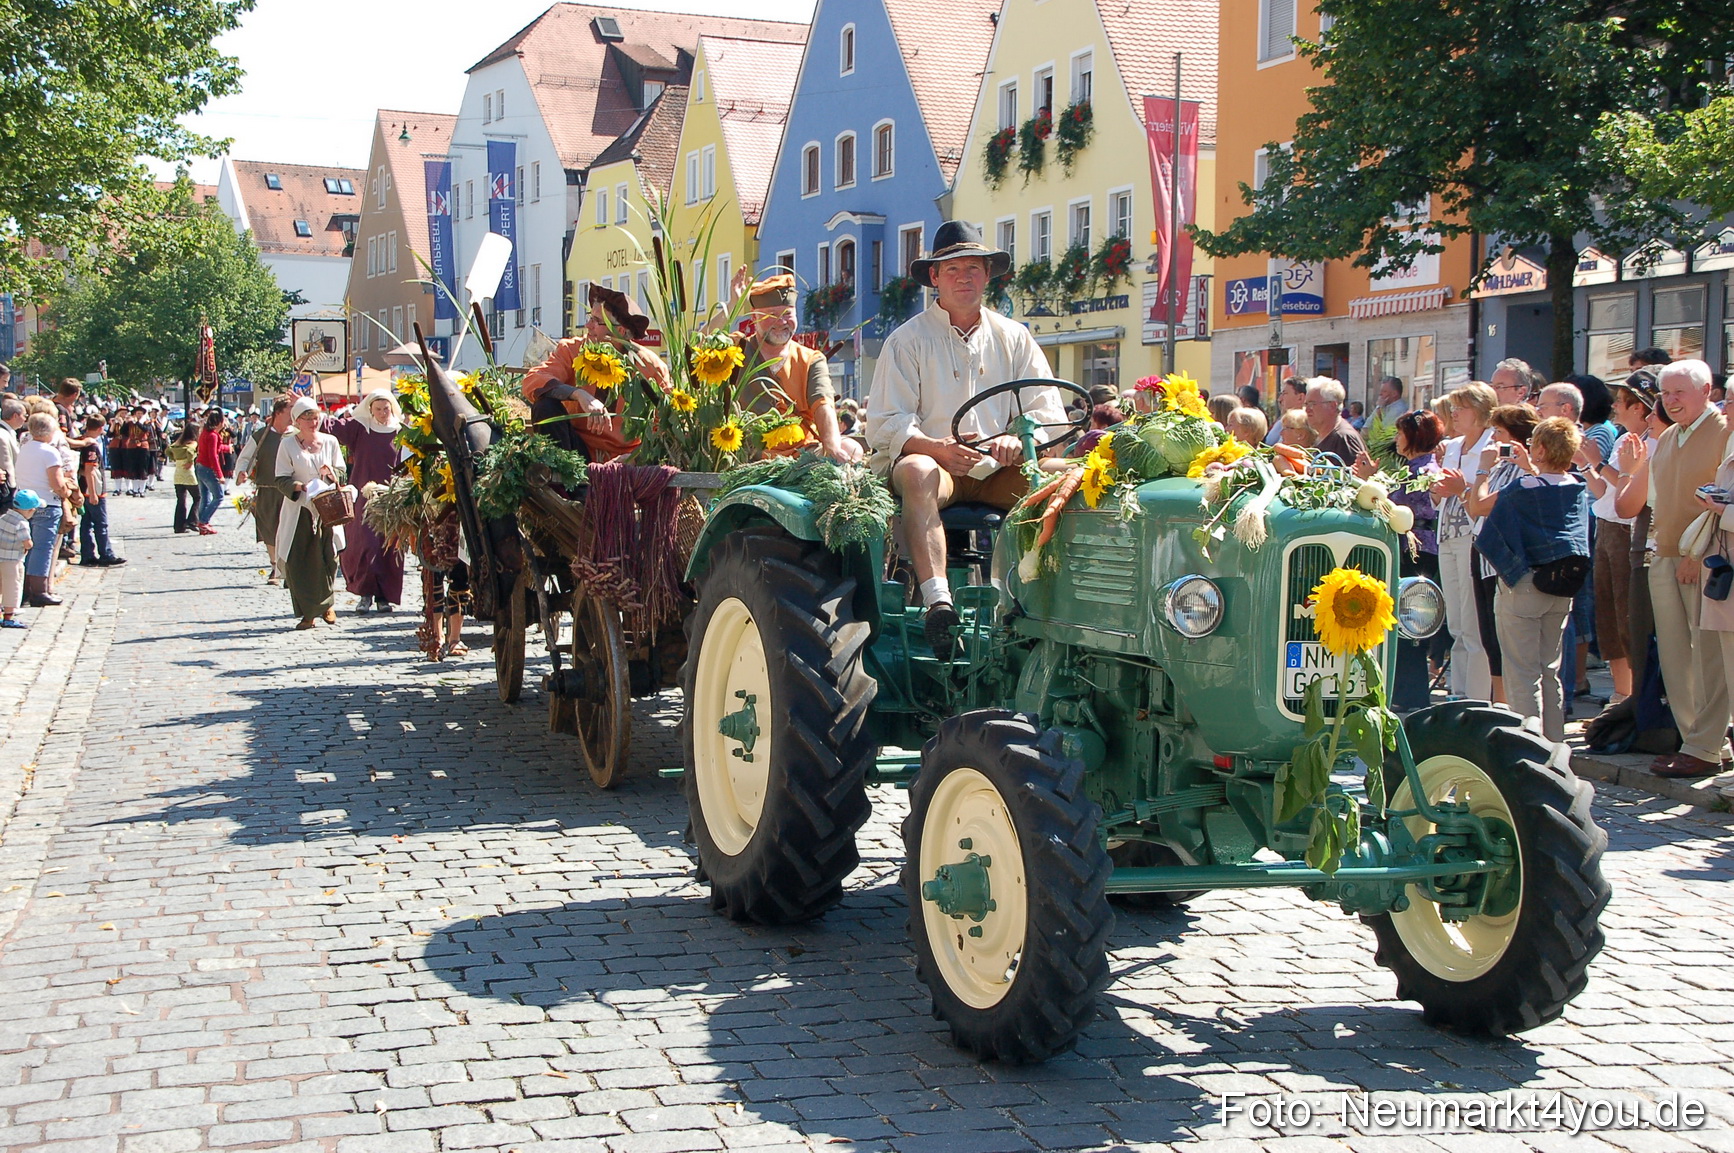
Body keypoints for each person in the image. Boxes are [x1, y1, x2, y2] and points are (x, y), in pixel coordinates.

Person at [865, 220, 1067, 653]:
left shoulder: (1015, 338)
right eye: (953, 269)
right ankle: (939, 602)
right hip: (939, 469)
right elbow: (885, 424)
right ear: (934, 277)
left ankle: (1039, 601)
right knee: (917, 471)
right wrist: (936, 448)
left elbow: (1047, 414)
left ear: (987, 276)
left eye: (974, 268)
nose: (964, 277)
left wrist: (1019, 440)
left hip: (1000, 470)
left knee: (1069, 477)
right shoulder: (908, 340)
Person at [1633, 359, 1730, 778]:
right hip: (1666, 553)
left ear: (1706, 390)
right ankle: (1696, 739)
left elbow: (1719, 500)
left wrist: (1694, 557)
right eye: (1665, 393)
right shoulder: (1669, 435)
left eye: (1679, 392)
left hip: (1704, 556)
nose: (1670, 401)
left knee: (1709, 656)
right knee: (1675, 655)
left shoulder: (1724, 431)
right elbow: (1656, 501)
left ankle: (1706, 745)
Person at [1477, 417, 1590, 741]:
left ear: (1539, 448)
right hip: (1562, 586)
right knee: (1549, 671)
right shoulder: (1576, 486)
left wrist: (1484, 470)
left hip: (1524, 583)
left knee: (1522, 675)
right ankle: (1556, 750)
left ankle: (1532, 752)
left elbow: (1482, 511)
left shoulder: (1523, 488)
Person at [718, 273, 861, 461]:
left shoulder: (811, 359)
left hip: (800, 456)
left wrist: (832, 448)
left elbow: (822, 403)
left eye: (787, 314)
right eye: (771, 315)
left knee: (851, 447)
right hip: (744, 454)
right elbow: (695, 347)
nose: (781, 322)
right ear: (754, 317)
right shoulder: (736, 348)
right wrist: (731, 306)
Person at [520, 284, 670, 462]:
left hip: (628, 459)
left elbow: (664, 425)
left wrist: (635, 458)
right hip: (576, 450)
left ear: (620, 330)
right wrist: (579, 394)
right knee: (545, 405)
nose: (588, 325)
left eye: (596, 321)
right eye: (589, 317)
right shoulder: (573, 349)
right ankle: (567, 480)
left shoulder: (651, 367)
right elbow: (533, 380)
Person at [1357, 409, 1444, 710]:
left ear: (1414, 436)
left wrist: (1370, 483)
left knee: (1409, 624)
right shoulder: (1412, 468)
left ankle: (1409, 695)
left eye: (1400, 432)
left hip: (1416, 550)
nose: (1396, 438)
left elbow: (1396, 511)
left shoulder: (1424, 473)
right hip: (1413, 549)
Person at [1430, 382, 1498, 699]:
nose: (1454, 414)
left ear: (1482, 412)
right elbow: (1438, 498)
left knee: (1473, 624)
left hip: (1473, 538)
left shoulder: (1492, 445)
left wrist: (1459, 488)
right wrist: (1435, 490)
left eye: (1462, 408)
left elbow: (1484, 498)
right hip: (1447, 535)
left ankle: (1476, 696)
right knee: (1456, 622)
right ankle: (1458, 693)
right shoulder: (1453, 446)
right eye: (1453, 408)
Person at [270, 398, 347, 629]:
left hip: (327, 507)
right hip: (299, 509)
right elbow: (281, 477)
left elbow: (342, 472)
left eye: (316, 417)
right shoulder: (288, 445)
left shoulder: (330, 442)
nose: (313, 422)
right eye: (307, 418)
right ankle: (308, 614)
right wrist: (300, 486)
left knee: (328, 557)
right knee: (300, 561)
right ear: (297, 421)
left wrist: (331, 473)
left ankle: (327, 604)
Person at [325, 390, 405, 612]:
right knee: (366, 545)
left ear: (392, 408)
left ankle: (384, 597)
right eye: (377, 409)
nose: (381, 413)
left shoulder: (401, 432)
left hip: (391, 497)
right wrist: (312, 412)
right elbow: (332, 428)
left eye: (385, 409)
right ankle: (365, 594)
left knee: (388, 547)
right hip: (363, 496)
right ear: (370, 409)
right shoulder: (361, 428)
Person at [14, 414, 69, 607]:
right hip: (46, 502)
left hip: (25, 502)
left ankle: (25, 588)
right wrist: (66, 491)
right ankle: (39, 590)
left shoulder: (24, 449)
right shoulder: (49, 452)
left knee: (28, 546)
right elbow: (56, 482)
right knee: (43, 548)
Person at [235, 398, 292, 583]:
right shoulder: (261, 436)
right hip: (267, 489)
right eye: (290, 409)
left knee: (290, 529)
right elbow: (246, 457)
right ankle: (275, 567)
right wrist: (242, 472)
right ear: (278, 413)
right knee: (269, 529)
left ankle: (289, 568)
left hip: (291, 490)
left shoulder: (295, 436)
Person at [76, 415, 123, 567]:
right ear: (100, 428)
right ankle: (105, 553)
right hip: (93, 489)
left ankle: (88, 554)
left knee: (86, 523)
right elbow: (89, 470)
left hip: (85, 488)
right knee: (100, 524)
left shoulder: (81, 440)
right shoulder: (91, 445)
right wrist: (93, 492)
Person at [0, 488, 39, 628]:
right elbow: (27, 543)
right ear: (30, 510)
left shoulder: (3, 517)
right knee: (13, 587)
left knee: (1, 586)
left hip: (0, 557)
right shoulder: (22, 524)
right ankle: (9, 617)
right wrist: (30, 546)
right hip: (13, 560)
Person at [1304, 377, 1367, 463]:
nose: (1307, 410)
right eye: (1306, 404)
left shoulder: (1344, 439)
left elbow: (1354, 475)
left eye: (1312, 404)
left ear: (1332, 406)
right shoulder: (1324, 436)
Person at [194, 409, 226, 534]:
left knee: (205, 497)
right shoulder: (213, 435)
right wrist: (220, 475)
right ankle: (203, 521)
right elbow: (213, 456)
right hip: (207, 468)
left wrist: (226, 448)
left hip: (200, 466)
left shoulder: (205, 433)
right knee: (218, 496)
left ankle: (202, 524)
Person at [168, 423, 200, 534]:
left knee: (181, 500)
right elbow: (191, 451)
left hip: (178, 473)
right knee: (197, 497)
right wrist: (191, 461)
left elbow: (168, 450)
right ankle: (191, 521)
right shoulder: (193, 442)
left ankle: (179, 526)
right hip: (188, 472)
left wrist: (175, 458)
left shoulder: (178, 442)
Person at [1264, 376, 1306, 446]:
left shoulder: (1307, 425)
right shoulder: (1279, 422)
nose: (1280, 399)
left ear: (1300, 398)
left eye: (1285, 393)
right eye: (1281, 394)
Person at [0, 398, 22, 484]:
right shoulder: (2, 435)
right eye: (25, 415)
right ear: (15, 416)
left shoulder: (8, 432)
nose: (25, 419)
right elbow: (5, 463)